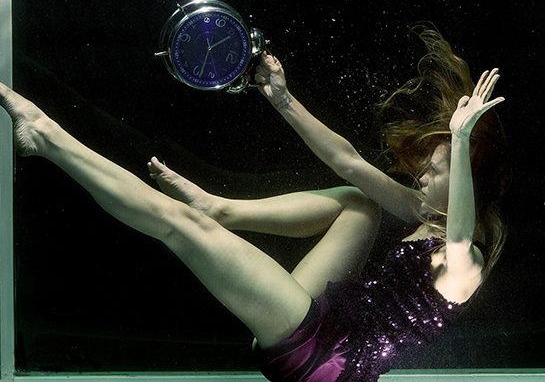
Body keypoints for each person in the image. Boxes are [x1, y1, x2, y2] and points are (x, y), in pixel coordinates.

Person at [0, 27, 507, 381]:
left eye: (435, 171)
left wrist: (460, 142)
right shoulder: (422, 215)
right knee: (358, 204)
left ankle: (44, 135)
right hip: (327, 327)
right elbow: (349, 164)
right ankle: (222, 211)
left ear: (466, 180)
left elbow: (460, 239)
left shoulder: (468, 259)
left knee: (178, 226)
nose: (420, 174)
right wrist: (281, 98)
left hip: (329, 363)